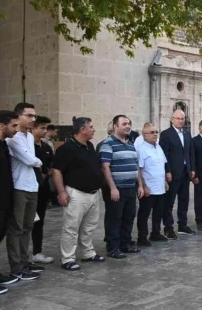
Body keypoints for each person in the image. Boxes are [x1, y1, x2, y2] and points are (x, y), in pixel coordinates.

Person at [52, 117, 106, 271]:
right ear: (83, 129)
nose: (94, 129)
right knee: (71, 227)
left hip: (93, 193)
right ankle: (67, 258)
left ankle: (88, 253)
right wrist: (61, 192)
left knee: (89, 226)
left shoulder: (89, 145)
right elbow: (57, 171)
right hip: (76, 193)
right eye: (91, 127)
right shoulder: (66, 148)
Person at [6, 102, 44, 280]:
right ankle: (16, 266)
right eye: (29, 115)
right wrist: (38, 161)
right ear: (18, 116)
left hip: (32, 186)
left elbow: (33, 159)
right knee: (16, 228)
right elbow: (30, 160)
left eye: (34, 116)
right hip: (18, 187)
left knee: (28, 226)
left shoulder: (29, 136)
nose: (32, 119)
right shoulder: (12, 139)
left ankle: (25, 260)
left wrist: (36, 160)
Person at [100, 115, 145, 259]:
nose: (128, 126)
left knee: (129, 217)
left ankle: (125, 244)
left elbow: (136, 166)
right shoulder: (108, 144)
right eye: (124, 124)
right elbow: (105, 167)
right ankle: (113, 247)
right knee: (114, 218)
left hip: (130, 188)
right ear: (115, 126)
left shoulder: (131, 144)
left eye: (129, 124)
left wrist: (140, 185)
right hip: (116, 189)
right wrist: (113, 188)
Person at [160, 109, 195, 237]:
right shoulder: (166, 134)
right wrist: (167, 171)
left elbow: (190, 153)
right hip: (173, 173)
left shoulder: (187, 134)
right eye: (178, 118)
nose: (180, 121)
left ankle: (182, 225)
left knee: (184, 200)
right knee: (169, 201)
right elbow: (164, 155)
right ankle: (168, 227)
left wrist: (192, 169)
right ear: (172, 119)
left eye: (182, 118)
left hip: (185, 173)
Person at [0, 111, 20, 292]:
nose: (16, 129)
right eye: (13, 125)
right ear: (1, 126)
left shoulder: (3, 145)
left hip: (4, 201)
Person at [135, 122, 168, 245]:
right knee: (144, 213)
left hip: (159, 186)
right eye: (152, 132)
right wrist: (143, 186)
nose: (155, 134)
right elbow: (139, 169)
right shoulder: (141, 149)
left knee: (158, 211)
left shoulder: (158, 147)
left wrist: (164, 181)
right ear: (144, 135)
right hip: (148, 187)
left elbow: (162, 165)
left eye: (156, 132)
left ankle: (156, 233)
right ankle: (142, 237)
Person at [31, 116, 55, 265]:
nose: (45, 131)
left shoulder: (46, 147)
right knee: (25, 223)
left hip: (43, 189)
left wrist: (46, 174)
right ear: (33, 128)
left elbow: (52, 165)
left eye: (46, 128)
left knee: (39, 221)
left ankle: (36, 252)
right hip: (27, 189)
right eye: (42, 128)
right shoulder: (26, 146)